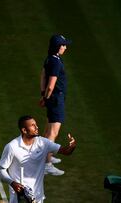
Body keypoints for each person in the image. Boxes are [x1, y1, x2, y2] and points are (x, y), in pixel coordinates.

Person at [0, 115, 76, 203]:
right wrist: (12, 183)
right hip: (19, 197)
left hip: (38, 196)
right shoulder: (12, 147)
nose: (37, 127)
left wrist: (72, 146)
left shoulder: (43, 143)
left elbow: (65, 151)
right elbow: (1, 169)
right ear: (24, 130)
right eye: (32, 125)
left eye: (36, 124)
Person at [39, 34, 71, 175]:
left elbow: (42, 76)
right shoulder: (56, 62)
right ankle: (46, 164)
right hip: (56, 99)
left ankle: (46, 157)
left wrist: (43, 95)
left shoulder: (50, 59)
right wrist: (46, 97)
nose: (65, 47)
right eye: (63, 45)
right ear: (57, 47)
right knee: (53, 133)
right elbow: (51, 85)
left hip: (52, 99)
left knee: (47, 131)